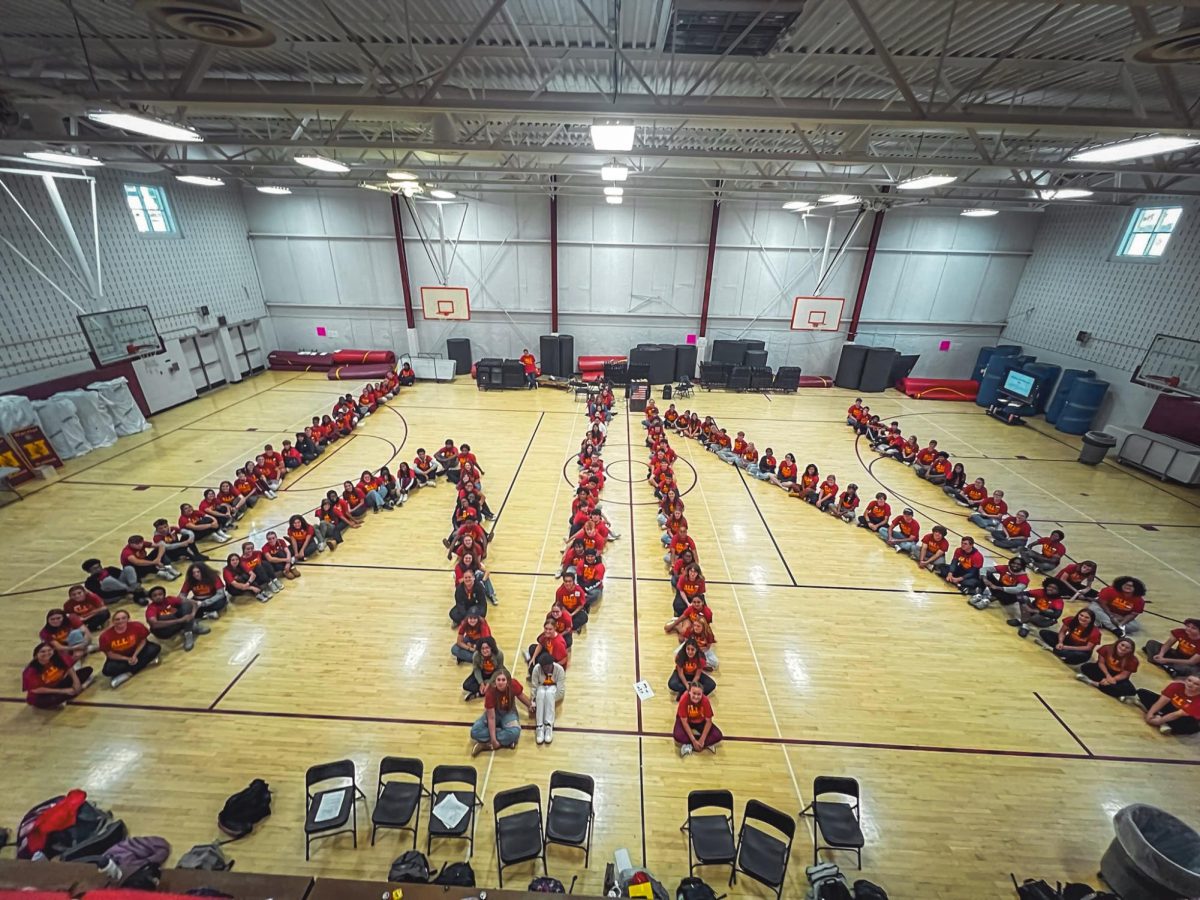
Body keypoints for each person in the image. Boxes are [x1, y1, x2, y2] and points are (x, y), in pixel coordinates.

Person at [470, 669, 533, 755]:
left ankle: (485, 745)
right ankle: (506, 740)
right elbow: (491, 717)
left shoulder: (513, 684)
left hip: (509, 712)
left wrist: (530, 705)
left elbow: (521, 696)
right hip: (494, 712)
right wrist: (493, 739)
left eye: (503, 680)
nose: (501, 682)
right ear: (495, 681)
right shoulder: (490, 692)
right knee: (474, 732)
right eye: (498, 680)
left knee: (515, 732)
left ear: (507, 681)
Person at [99, 609, 162, 688]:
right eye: (117, 619)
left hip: (137, 652)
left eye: (123, 618)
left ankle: (128, 673)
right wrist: (127, 659)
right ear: (113, 621)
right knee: (107, 671)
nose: (120, 621)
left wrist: (135, 655)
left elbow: (143, 641)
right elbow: (110, 654)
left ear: (128, 619)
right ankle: (144, 663)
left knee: (155, 648)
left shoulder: (137, 626)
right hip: (121, 657)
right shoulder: (105, 636)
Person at [23, 643, 92, 709]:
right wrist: (63, 691)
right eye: (42, 651)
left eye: (49, 650)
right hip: (41, 695)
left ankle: (71, 692)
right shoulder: (30, 671)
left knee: (87, 670)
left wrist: (76, 682)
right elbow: (36, 690)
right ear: (36, 655)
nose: (47, 653)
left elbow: (69, 666)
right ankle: (69, 693)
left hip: (57, 684)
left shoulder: (58, 658)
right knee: (55, 698)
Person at [144, 585, 209, 652]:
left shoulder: (169, 599)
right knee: (166, 616)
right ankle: (190, 626)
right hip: (165, 630)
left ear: (164, 595)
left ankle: (188, 633)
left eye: (160, 594)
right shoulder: (151, 609)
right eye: (155, 596)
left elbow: (193, 602)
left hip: (176, 622)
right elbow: (155, 624)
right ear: (151, 598)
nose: (158, 597)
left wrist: (192, 615)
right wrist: (180, 620)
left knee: (186, 605)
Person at [1135, 674, 1200, 736]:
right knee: (1142, 692)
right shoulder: (1176, 686)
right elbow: (1161, 702)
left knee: (1192, 727)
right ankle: (1162, 719)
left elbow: (1177, 714)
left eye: (1196, 684)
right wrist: (1149, 715)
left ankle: (1159, 717)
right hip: (1170, 707)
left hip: (1183, 716)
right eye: (1189, 680)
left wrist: (1160, 721)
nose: (1190, 684)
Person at [675, 682, 723, 757]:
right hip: (686, 720)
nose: (696, 696)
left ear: (702, 694)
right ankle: (704, 744)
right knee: (677, 736)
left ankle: (691, 745)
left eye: (699, 694)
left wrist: (702, 739)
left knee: (718, 735)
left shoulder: (705, 700)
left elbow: (708, 721)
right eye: (694, 693)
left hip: (700, 721)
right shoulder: (683, 699)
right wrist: (694, 740)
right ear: (689, 692)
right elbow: (684, 722)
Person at [531, 652, 566, 744]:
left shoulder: (559, 670)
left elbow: (561, 691)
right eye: (544, 668)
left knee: (549, 694)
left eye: (548, 667)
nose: (546, 669)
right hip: (541, 687)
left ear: (552, 664)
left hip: (553, 689)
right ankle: (539, 726)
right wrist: (533, 701)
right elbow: (534, 687)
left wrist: (549, 701)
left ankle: (548, 725)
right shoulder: (536, 669)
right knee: (541, 693)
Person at [82, 557, 147, 604]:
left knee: (128, 568)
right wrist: (125, 592)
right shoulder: (89, 582)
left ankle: (135, 588)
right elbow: (103, 595)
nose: (99, 569)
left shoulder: (110, 569)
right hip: (112, 595)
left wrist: (137, 583)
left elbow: (127, 576)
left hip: (126, 588)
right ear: (89, 571)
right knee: (108, 580)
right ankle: (137, 593)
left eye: (99, 566)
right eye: (95, 569)